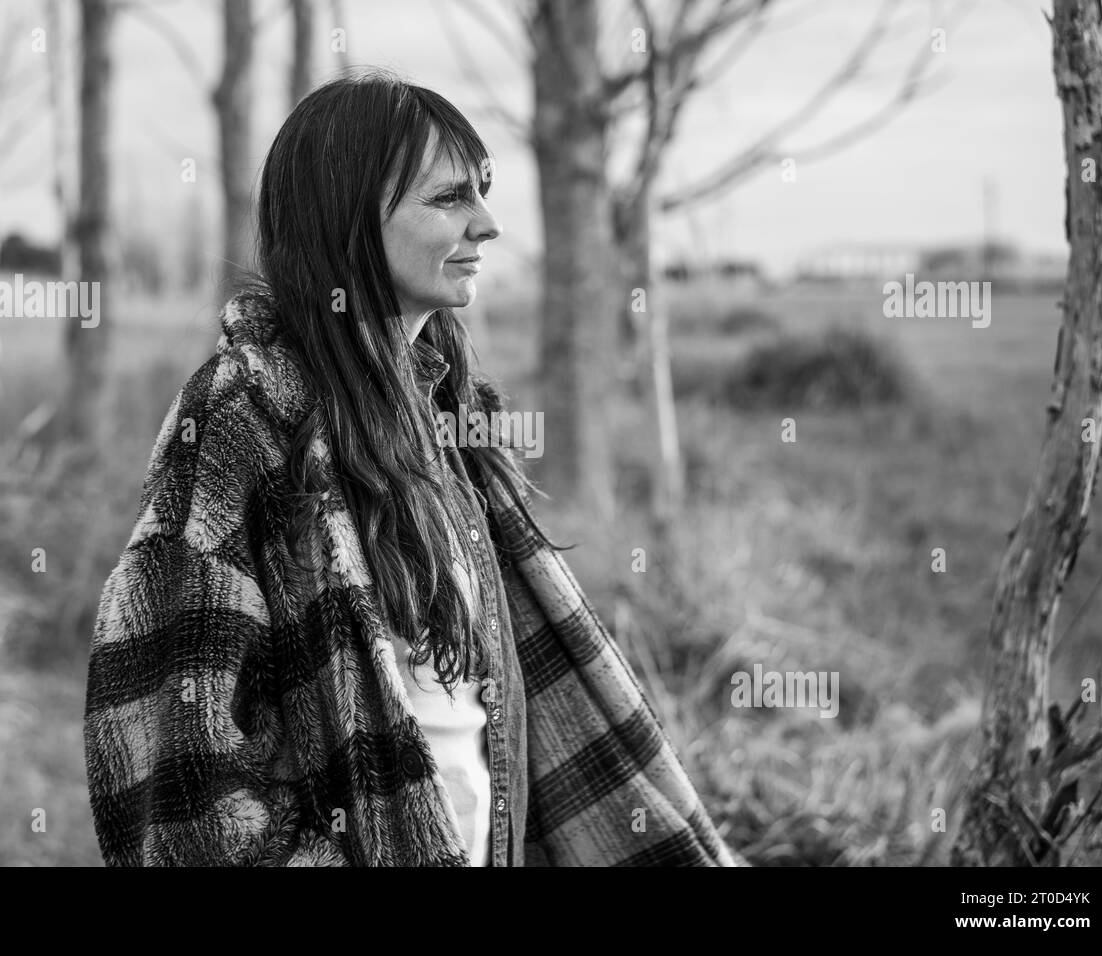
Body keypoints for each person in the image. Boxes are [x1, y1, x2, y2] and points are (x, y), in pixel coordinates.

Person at [82, 69, 738, 867]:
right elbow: (176, 763)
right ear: (349, 216)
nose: (488, 225)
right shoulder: (241, 416)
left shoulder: (448, 415)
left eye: (483, 193)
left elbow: (471, 710)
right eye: (448, 199)